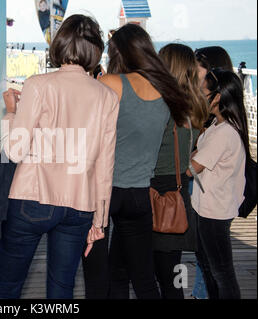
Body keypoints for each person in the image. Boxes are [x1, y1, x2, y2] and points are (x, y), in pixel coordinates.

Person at [0, 14, 119, 299]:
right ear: (95, 50)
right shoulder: (107, 97)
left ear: (60, 44)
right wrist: (99, 221)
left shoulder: (38, 85)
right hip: (80, 205)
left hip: (31, 198)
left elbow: (14, 150)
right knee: (62, 289)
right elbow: (105, 165)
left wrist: (11, 112)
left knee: (8, 286)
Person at [81, 24, 191, 299]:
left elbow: (86, 131)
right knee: (139, 277)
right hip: (140, 195)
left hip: (104, 194)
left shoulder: (112, 83)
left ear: (118, 53)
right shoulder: (167, 91)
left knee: (100, 277)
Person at [149, 43, 209, 299]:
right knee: (170, 273)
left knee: (147, 270)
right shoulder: (195, 107)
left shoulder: (160, 108)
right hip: (178, 192)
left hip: (154, 189)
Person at [187, 68, 249, 299]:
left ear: (218, 97)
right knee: (209, 267)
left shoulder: (224, 132)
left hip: (215, 212)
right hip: (207, 208)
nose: (200, 93)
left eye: (204, 90)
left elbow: (191, 168)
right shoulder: (216, 125)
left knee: (222, 272)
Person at [191, 45, 234, 298]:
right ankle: (201, 293)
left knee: (212, 261)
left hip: (213, 200)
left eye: (196, 71)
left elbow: (194, 162)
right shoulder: (224, 115)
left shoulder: (220, 123)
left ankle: (201, 294)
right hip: (212, 196)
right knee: (205, 256)